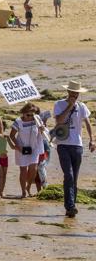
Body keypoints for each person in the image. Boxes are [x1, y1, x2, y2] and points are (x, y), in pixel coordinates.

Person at [53, 81, 94, 218]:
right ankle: (70, 206)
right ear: (68, 92)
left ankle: (71, 206)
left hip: (77, 145)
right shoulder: (59, 104)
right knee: (68, 175)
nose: (75, 95)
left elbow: (87, 124)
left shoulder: (82, 106)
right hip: (63, 144)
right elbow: (59, 121)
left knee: (74, 178)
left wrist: (92, 140)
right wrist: (69, 106)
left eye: (77, 93)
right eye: (72, 93)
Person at [9, 102, 45, 198]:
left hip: (34, 147)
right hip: (22, 148)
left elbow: (42, 133)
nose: (30, 117)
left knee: (33, 168)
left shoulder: (37, 120)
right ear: (23, 113)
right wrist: (18, 146)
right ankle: (23, 191)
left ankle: (28, 186)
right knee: (23, 170)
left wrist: (42, 129)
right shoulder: (18, 121)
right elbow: (11, 135)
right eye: (28, 114)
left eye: (32, 115)